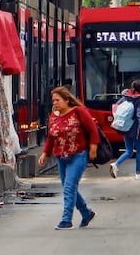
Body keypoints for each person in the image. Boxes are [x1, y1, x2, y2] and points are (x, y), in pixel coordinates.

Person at [36, 86, 98, 230]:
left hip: (78, 154)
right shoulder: (53, 116)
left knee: (69, 187)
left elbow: (92, 129)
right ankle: (86, 213)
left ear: (67, 100)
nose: (55, 103)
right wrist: (45, 153)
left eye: (58, 100)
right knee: (69, 188)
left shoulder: (79, 112)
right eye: (53, 100)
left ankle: (66, 220)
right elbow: (51, 137)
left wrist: (93, 147)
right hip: (60, 157)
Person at [110, 79, 140, 180]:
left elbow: (115, 107)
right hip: (136, 129)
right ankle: (138, 173)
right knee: (139, 151)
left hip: (125, 127)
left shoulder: (126, 97)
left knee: (129, 151)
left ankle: (116, 164)